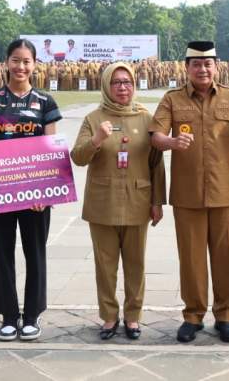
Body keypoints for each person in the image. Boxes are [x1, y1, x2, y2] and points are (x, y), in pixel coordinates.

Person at [150, 41, 229, 343]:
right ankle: (193, 315)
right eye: (196, 64)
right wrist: (172, 143)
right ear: (187, 67)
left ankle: (226, 315)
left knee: (226, 256)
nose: (202, 69)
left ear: (216, 66)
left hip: (223, 191)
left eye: (208, 64)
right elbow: (155, 135)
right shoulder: (172, 99)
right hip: (187, 193)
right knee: (191, 259)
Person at [0, 39, 62, 341]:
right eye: (15, 60)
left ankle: (32, 315)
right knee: (2, 253)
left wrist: (45, 193)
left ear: (34, 64)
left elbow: (51, 150)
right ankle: (9, 316)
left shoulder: (45, 101)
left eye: (26, 61)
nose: (21, 67)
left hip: (35, 194)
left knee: (35, 253)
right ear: (6, 62)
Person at [71, 62, 166, 340]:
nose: (122, 87)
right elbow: (77, 157)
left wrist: (157, 201)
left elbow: (156, 163)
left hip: (138, 199)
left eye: (127, 82)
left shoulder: (147, 118)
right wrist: (97, 139)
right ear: (106, 86)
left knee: (136, 264)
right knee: (106, 265)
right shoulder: (93, 118)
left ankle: (133, 316)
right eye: (116, 82)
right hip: (103, 203)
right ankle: (109, 316)